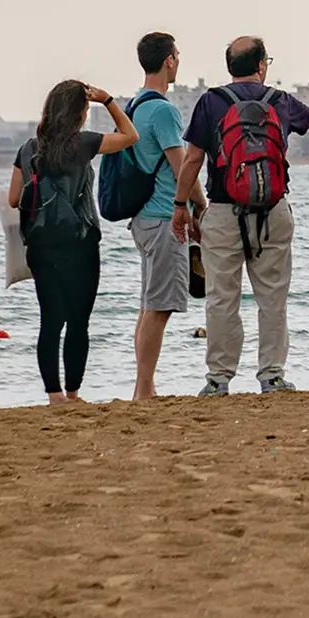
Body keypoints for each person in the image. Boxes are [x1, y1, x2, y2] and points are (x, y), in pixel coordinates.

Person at [172, 36, 309, 395]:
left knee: (222, 298)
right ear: (262, 66)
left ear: (230, 68)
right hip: (274, 210)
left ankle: (218, 380)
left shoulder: (212, 101)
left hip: (224, 211)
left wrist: (181, 207)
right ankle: (271, 376)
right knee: (272, 298)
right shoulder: (280, 101)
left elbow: (193, 159)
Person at [8, 80, 138, 405]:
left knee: (50, 321)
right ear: (80, 113)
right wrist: (107, 100)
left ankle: (53, 397)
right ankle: (73, 393)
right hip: (81, 243)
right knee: (79, 322)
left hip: (41, 246)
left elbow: (13, 199)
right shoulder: (83, 143)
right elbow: (130, 136)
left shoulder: (28, 148)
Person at [126, 32, 189, 399]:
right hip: (164, 215)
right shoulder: (163, 110)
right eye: (177, 55)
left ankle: (141, 386)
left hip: (144, 218)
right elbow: (182, 168)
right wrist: (198, 205)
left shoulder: (137, 105)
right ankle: (145, 388)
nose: (178, 61)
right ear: (168, 60)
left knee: (150, 305)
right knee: (159, 308)